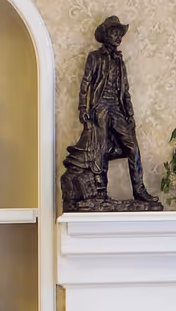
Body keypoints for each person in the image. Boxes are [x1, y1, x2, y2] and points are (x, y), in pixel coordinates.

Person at [60, 15, 157, 209]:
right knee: (100, 149)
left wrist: (130, 115)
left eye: (120, 33)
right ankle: (101, 192)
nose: (118, 36)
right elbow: (85, 83)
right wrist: (82, 108)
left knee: (132, 147)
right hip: (100, 107)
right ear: (105, 35)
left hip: (117, 109)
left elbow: (126, 91)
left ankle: (139, 189)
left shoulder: (120, 61)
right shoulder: (95, 57)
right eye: (114, 32)